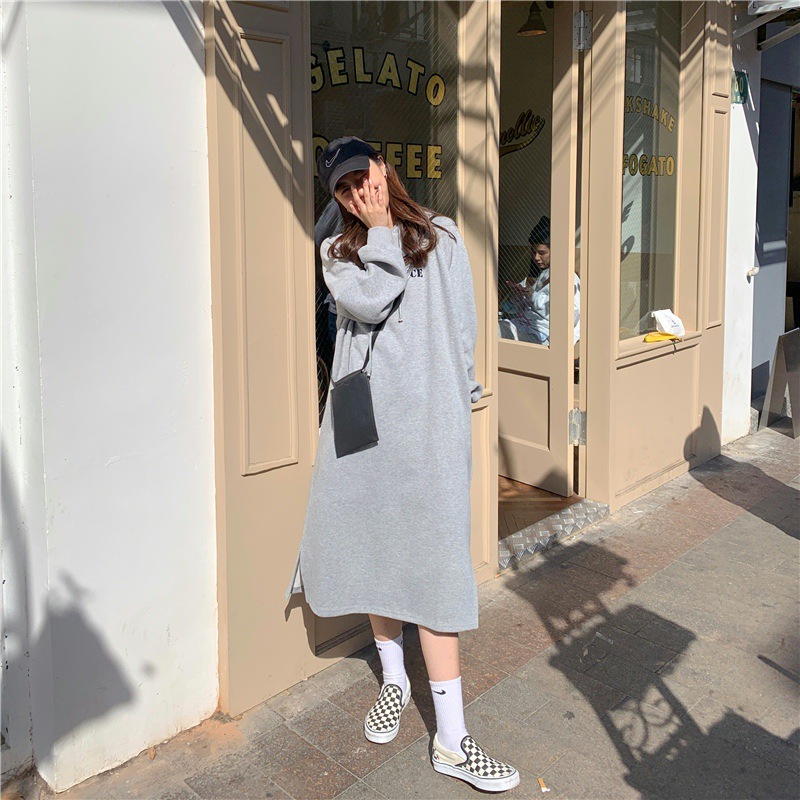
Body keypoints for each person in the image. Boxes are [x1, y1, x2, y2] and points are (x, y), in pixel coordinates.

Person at [285, 136, 520, 793]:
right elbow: (371, 301)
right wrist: (380, 230)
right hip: (366, 432)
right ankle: (393, 680)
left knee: (438, 572)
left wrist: (464, 396)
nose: (358, 191)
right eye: (343, 187)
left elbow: (463, 322)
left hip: (431, 431)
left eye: (363, 175)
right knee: (378, 554)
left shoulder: (442, 235)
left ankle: (452, 740)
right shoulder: (339, 250)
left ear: (385, 169)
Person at [501, 216, 580, 346]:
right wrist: (519, 296)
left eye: (542, 253)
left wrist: (532, 296)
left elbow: (571, 316)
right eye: (533, 252)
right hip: (526, 324)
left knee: (497, 333)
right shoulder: (544, 274)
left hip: (544, 333)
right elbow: (524, 307)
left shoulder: (569, 279)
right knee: (493, 329)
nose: (536, 257)